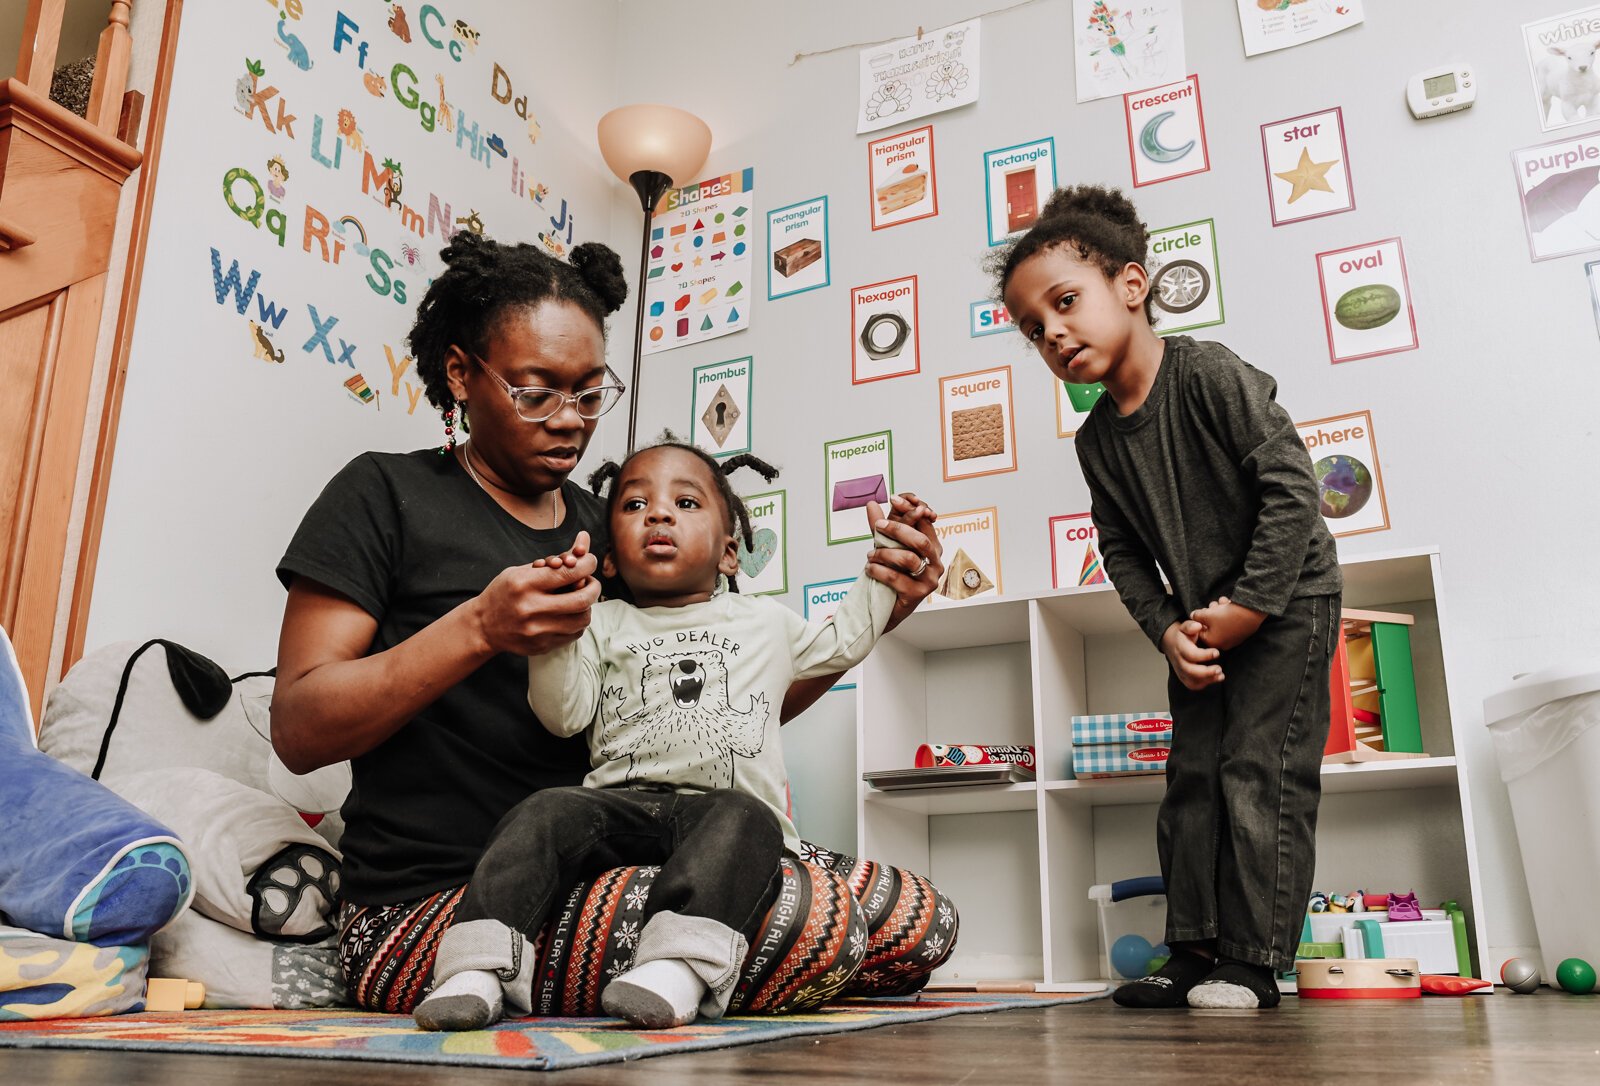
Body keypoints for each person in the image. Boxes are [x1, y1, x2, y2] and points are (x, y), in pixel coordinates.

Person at [271, 232, 946, 1015]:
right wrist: (480, 628)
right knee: (815, 930)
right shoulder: (384, 494)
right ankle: (506, 973)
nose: (570, 422)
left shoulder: (615, 526)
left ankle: (687, 955)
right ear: (461, 373)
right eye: (537, 392)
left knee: (916, 920)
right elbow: (299, 729)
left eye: (591, 394)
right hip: (438, 902)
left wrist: (887, 604)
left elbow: (716, 690)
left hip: (630, 852)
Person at [413, 440, 906, 1031]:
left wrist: (886, 566)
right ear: (612, 560)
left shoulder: (767, 621)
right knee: (542, 811)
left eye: (687, 502)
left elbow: (842, 644)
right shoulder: (602, 621)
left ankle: (676, 970)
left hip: (718, 812)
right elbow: (563, 717)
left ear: (730, 554)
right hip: (618, 803)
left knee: (751, 819)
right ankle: (476, 968)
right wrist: (558, 631)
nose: (660, 513)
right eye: (635, 504)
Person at [994, 185, 1342, 1010]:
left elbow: (1294, 490)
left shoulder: (1210, 374)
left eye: (1065, 303)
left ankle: (1253, 962)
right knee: (1192, 778)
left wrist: (1252, 605)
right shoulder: (1096, 443)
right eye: (1033, 328)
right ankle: (1191, 949)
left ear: (1132, 286)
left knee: (1260, 774)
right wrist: (1169, 637)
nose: (1053, 333)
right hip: (1203, 629)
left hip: (1289, 603)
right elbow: (1120, 552)